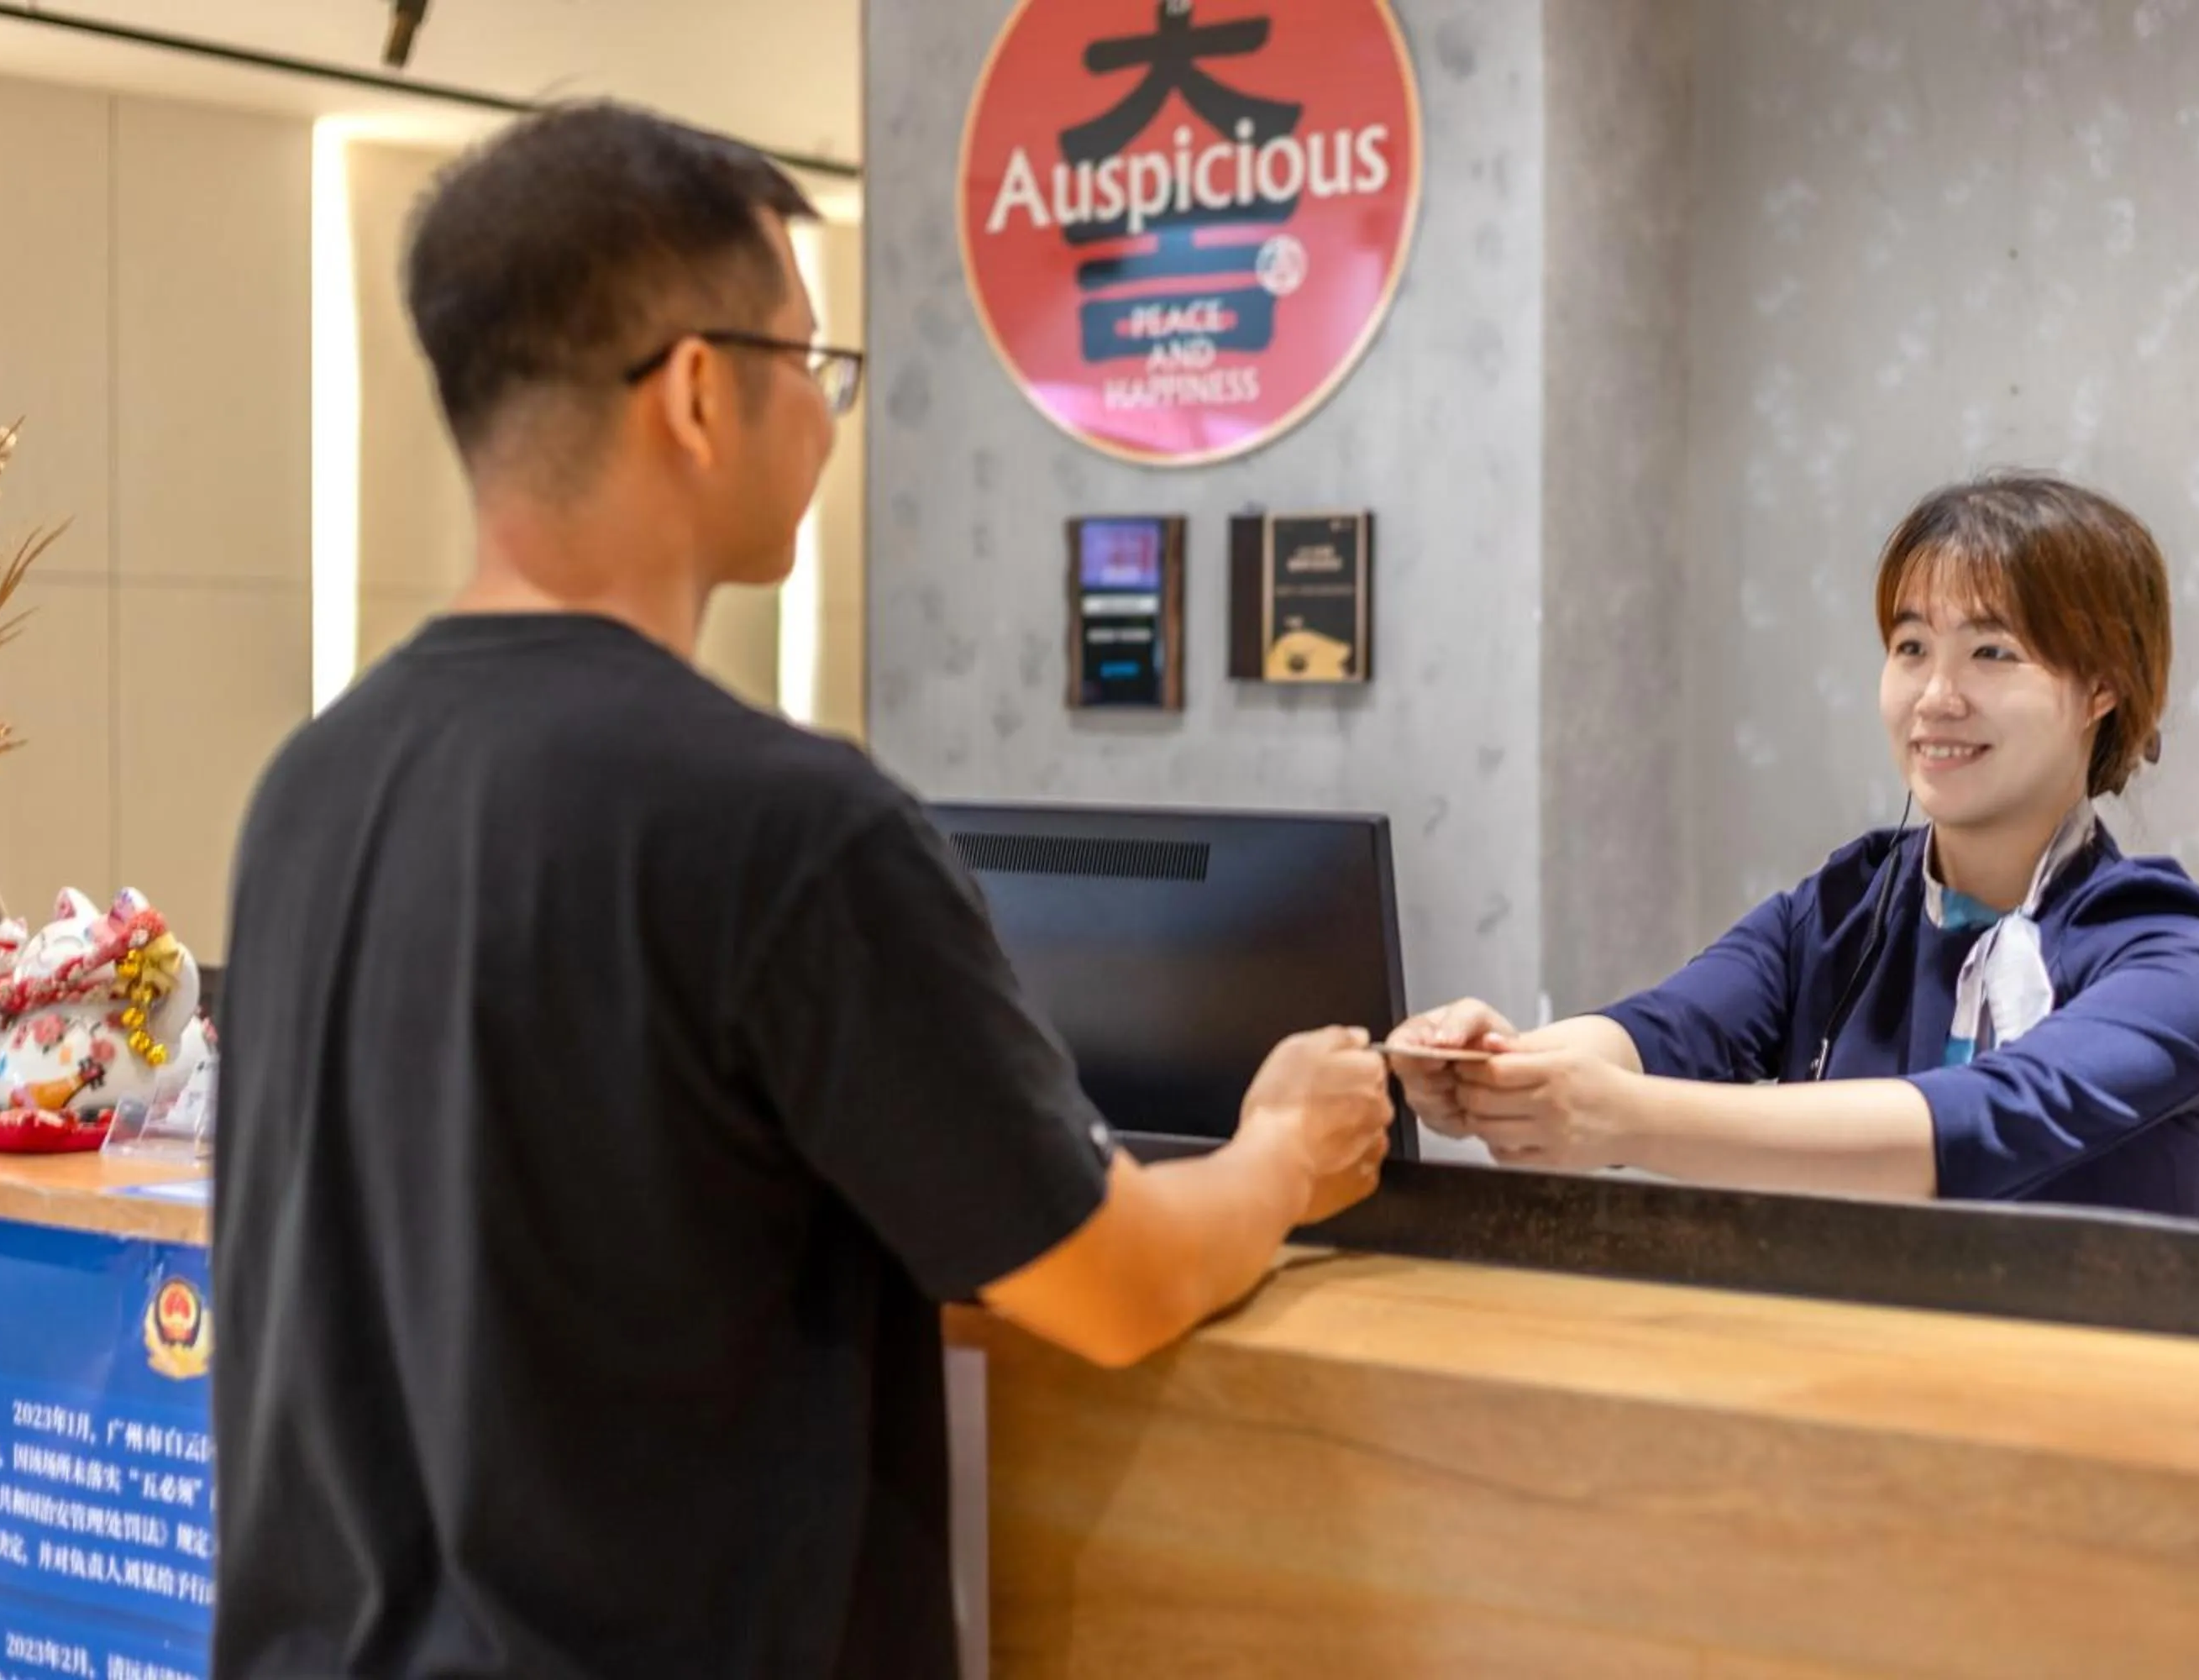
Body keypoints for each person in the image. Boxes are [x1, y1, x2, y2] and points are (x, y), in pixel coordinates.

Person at [210, 102, 1393, 1680]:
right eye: (813, 368)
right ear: (698, 393)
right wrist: (1281, 1156)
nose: (832, 424)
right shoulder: (786, 827)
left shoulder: (312, 785)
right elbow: (1106, 1287)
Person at [1392, 473, 2199, 1220]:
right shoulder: (1846, 904)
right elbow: (1668, 1030)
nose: (1937, 696)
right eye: (1912, 646)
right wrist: (1494, 1066)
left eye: (1992, 651)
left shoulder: (2176, 952)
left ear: (2102, 688)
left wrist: (1623, 1120)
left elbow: (1981, 1120)